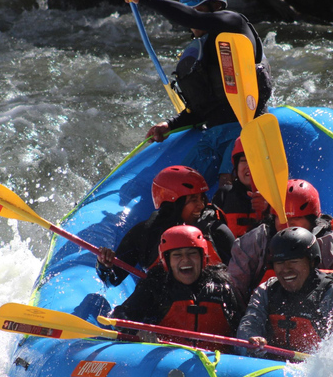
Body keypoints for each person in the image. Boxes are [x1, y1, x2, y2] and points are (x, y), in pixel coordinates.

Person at [118, 0, 273, 185]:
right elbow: (201, 109)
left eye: (197, 11)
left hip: (245, 129)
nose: (193, 21)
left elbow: (192, 17)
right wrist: (170, 125)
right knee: (180, 186)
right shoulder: (200, 53)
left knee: (228, 183)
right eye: (191, 12)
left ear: (215, 7)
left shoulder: (234, 24)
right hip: (213, 135)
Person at [227, 179, 333, 310]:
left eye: (296, 218)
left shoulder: (329, 243)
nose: (287, 225)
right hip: (264, 316)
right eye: (281, 218)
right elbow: (234, 287)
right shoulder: (257, 240)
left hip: (314, 316)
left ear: (312, 220)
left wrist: (315, 279)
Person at [237, 227, 333, 355]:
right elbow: (250, 323)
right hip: (271, 367)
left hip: (316, 370)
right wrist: (251, 340)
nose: (286, 269)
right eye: (279, 263)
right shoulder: (266, 291)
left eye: (294, 262)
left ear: (312, 262)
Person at [97, 165, 234, 286]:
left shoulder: (216, 230)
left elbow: (241, 277)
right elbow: (112, 279)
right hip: (165, 307)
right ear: (174, 205)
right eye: (193, 200)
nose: (201, 205)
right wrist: (105, 265)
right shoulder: (145, 234)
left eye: (202, 198)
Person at [110, 225, 240, 348]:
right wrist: (137, 331)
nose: (185, 260)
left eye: (192, 253)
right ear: (167, 261)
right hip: (167, 363)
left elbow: (241, 325)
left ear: (203, 258)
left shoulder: (223, 287)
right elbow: (121, 315)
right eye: (177, 255)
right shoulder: (154, 286)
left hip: (218, 363)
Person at [212, 137, 269, 238]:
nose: (249, 166)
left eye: (255, 160)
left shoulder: (279, 196)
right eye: (243, 160)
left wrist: (268, 210)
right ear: (236, 167)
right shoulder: (223, 195)